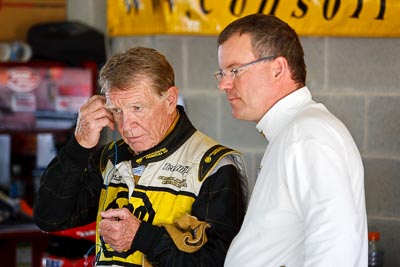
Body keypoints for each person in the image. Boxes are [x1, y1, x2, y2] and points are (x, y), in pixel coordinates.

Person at [33, 46, 248, 267]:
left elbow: (220, 262)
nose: (126, 126)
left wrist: (142, 237)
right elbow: (49, 218)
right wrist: (78, 146)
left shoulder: (213, 165)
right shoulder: (110, 157)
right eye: (117, 110)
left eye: (137, 108)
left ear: (170, 100)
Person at [215, 14, 368, 267]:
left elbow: (336, 244)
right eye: (221, 73)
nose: (223, 85)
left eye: (234, 71)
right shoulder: (296, 132)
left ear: (278, 69)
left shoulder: (307, 135)